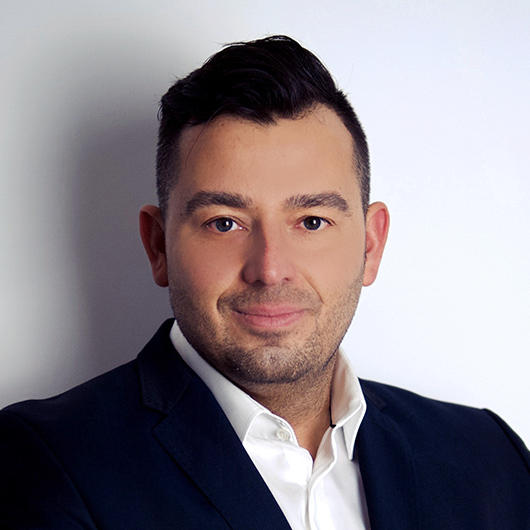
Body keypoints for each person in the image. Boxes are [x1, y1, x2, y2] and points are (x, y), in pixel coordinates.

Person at [1, 35, 529, 530]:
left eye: (312, 222)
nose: (270, 268)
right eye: (224, 223)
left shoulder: (491, 457)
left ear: (371, 245)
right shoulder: (42, 464)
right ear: (159, 246)